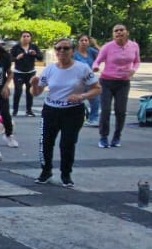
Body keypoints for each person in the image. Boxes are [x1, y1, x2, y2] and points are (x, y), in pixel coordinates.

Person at [32, 39, 101, 187]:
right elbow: (36, 92)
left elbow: (97, 88)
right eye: (58, 48)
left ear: (72, 51)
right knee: (46, 142)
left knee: (67, 143)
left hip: (73, 111)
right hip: (51, 110)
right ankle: (46, 171)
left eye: (66, 48)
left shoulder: (82, 68)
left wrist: (82, 96)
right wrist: (34, 85)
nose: (61, 51)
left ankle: (66, 174)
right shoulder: (50, 69)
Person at [92, 24, 140, 148]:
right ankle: (103, 137)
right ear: (113, 34)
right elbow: (97, 60)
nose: (119, 32)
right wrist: (95, 67)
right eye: (116, 31)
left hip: (123, 83)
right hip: (106, 82)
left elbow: (137, 61)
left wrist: (133, 70)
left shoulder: (134, 46)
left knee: (121, 111)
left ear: (127, 32)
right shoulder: (107, 47)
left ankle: (117, 136)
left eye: (121, 30)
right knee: (106, 110)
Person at [10, 31, 43, 118]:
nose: (26, 38)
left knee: (29, 92)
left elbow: (40, 58)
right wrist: (17, 58)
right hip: (18, 73)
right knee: (18, 91)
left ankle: (29, 110)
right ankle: (15, 110)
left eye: (28, 36)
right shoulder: (16, 47)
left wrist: (35, 54)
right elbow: (10, 58)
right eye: (24, 36)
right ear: (21, 38)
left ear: (30, 38)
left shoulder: (34, 47)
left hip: (30, 73)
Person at [72, 35, 101, 124]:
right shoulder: (74, 54)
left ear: (89, 42)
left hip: (90, 80)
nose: (84, 42)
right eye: (82, 40)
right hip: (78, 81)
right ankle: (77, 116)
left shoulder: (91, 51)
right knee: (75, 101)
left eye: (86, 40)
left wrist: (95, 44)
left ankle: (93, 119)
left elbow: (103, 54)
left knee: (96, 100)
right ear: (78, 42)